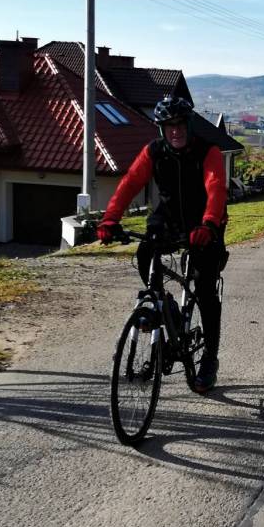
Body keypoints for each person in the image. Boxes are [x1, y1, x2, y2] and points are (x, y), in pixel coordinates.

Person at [97, 94, 227, 393]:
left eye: (180, 124)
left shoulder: (208, 151)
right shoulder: (154, 151)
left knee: (205, 289)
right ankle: (165, 306)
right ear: (162, 129)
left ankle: (209, 358)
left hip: (204, 223)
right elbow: (130, 182)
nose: (175, 131)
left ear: (188, 125)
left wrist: (209, 223)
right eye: (169, 126)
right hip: (168, 220)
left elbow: (216, 188)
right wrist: (110, 219)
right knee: (145, 254)